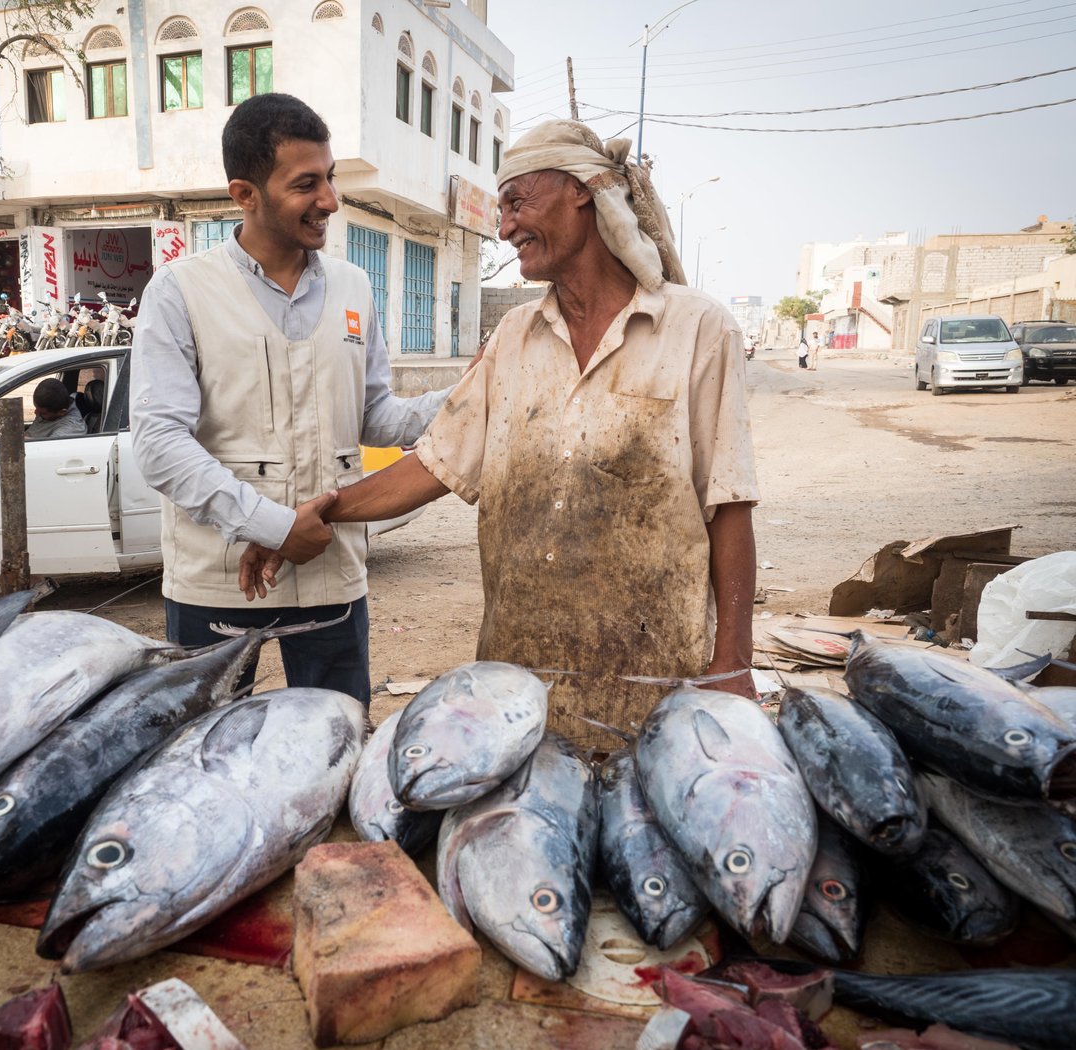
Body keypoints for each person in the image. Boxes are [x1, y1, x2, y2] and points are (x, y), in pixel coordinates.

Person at [240, 119, 759, 743]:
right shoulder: (513, 337)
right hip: (520, 687)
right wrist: (313, 515)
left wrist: (733, 661)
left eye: (518, 203)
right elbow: (436, 463)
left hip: (654, 688)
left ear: (584, 193)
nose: (505, 226)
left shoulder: (699, 330)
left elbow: (728, 503)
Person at [129, 93, 452, 706]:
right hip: (220, 581)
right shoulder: (180, 291)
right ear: (245, 194)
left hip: (332, 575)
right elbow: (159, 445)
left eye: (330, 178)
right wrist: (275, 527)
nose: (329, 200)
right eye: (307, 184)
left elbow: (375, 417)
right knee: (208, 759)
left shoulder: (354, 287)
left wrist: (471, 394)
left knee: (332, 746)